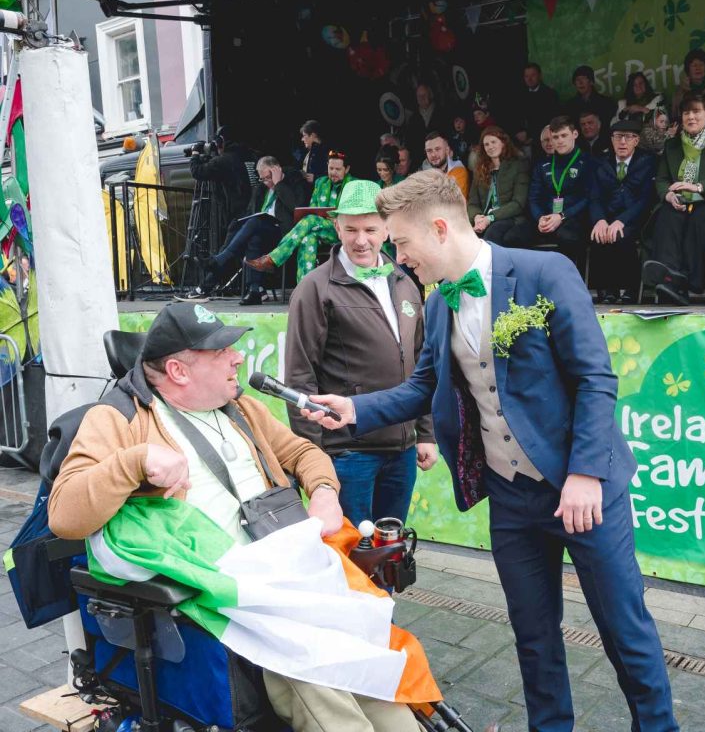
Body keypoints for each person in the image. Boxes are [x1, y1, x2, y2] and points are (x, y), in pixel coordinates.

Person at [301, 170, 679, 732]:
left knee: (624, 630)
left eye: (401, 242)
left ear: (437, 230)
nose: (399, 257)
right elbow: (420, 388)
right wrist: (354, 409)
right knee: (532, 633)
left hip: (584, 492)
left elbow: (596, 379)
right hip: (511, 498)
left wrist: (584, 476)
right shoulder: (435, 305)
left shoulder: (544, 272)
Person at [47, 303, 429, 732]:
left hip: (285, 573)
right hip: (224, 590)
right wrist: (134, 461)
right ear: (178, 370)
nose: (239, 358)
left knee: (372, 671)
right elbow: (64, 516)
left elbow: (303, 452)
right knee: (315, 668)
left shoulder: (242, 408)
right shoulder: (117, 418)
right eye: (222, 351)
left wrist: (324, 492)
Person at [284, 180, 437, 525]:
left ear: (387, 228)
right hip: (348, 452)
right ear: (336, 227)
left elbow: (421, 363)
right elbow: (298, 375)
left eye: (370, 228)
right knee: (351, 558)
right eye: (350, 229)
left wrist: (425, 433)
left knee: (390, 551)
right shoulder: (315, 288)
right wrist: (313, 456)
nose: (360, 239)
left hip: (402, 450)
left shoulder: (405, 280)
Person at [643, 93, 705, 305]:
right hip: (680, 201)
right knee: (667, 215)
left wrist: (698, 187)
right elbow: (661, 179)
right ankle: (668, 279)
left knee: (699, 218)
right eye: (686, 112)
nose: (691, 117)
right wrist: (667, 194)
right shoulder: (672, 144)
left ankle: (687, 281)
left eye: (696, 112)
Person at [191, 156, 305, 304]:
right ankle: (254, 290)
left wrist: (279, 184)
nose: (266, 182)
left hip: (284, 234)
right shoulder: (261, 189)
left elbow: (296, 208)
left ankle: (220, 261)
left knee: (255, 223)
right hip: (264, 232)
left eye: (268, 178)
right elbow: (251, 211)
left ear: (277, 169)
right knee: (253, 236)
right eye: (262, 179)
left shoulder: (293, 182)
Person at [245, 150, 353, 284]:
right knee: (307, 239)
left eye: (338, 169)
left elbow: (353, 215)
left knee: (309, 220)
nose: (333, 172)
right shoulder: (320, 182)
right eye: (331, 168)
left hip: (342, 230)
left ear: (347, 169)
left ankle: (274, 258)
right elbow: (312, 208)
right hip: (319, 229)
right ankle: (304, 288)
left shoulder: (353, 185)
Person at [589, 119, 656, 303]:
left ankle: (630, 289)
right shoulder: (600, 161)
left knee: (621, 235)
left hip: (634, 217)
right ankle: (606, 290)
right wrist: (600, 220)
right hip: (607, 215)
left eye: (628, 137)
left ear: (636, 140)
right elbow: (594, 196)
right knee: (599, 235)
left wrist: (623, 220)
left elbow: (645, 199)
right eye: (618, 137)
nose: (623, 142)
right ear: (611, 140)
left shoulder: (648, 162)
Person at [528, 115, 592, 265]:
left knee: (567, 235)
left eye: (564, 135)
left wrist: (562, 216)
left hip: (574, 218)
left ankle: (567, 283)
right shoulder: (543, 164)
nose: (559, 141)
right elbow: (534, 197)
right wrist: (540, 218)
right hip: (546, 219)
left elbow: (588, 197)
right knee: (514, 236)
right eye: (555, 137)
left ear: (575, 134)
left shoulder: (587, 161)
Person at [467, 126, 531, 248]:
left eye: (493, 142)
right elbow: (472, 203)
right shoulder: (480, 169)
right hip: (484, 219)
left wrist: (490, 218)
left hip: (510, 217)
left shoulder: (519, 164)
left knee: (492, 235)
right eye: (486, 144)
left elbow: (518, 203)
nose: (490, 147)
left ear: (503, 142)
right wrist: (477, 217)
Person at [189, 125, 258, 236]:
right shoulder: (250, 155)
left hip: (236, 214)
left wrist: (195, 154)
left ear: (221, 141)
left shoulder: (223, 161)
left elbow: (197, 171)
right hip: (255, 209)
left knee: (230, 249)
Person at [515, 62, 560, 150]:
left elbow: (550, 120)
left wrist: (531, 135)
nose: (529, 79)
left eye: (533, 75)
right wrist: (518, 133)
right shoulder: (519, 95)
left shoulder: (550, 94)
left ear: (539, 76)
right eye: (526, 76)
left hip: (542, 142)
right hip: (520, 142)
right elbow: (515, 116)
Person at [671, 49, 705, 121]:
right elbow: (675, 115)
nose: (698, 68)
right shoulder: (680, 90)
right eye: (694, 65)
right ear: (688, 69)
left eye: (701, 65)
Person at [404, 83, 450, 163]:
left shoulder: (441, 112)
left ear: (430, 95)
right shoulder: (413, 118)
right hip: (420, 161)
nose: (422, 98)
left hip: (440, 159)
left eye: (424, 95)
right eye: (419, 96)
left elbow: (447, 135)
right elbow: (409, 142)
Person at [422, 131, 470, 198]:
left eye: (437, 149)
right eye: (429, 151)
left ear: (447, 150)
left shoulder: (459, 170)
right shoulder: (423, 174)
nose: (433, 154)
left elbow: (453, 201)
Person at [298, 119, 327, 199]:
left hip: (319, 194)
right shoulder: (308, 152)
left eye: (304, 136)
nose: (302, 139)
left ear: (313, 135)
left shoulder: (324, 151)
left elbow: (332, 174)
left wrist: (315, 178)